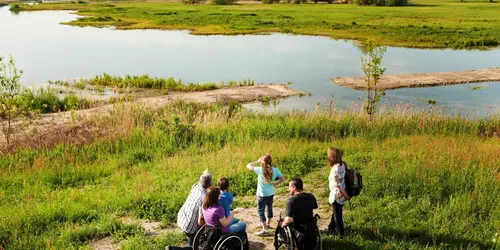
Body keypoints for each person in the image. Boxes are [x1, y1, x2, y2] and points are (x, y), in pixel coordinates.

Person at [246, 154, 285, 236]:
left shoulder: (259, 170)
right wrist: (275, 183)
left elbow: (248, 165)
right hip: (270, 194)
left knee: (260, 211)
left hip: (261, 195)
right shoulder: (275, 170)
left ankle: (265, 230)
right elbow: (283, 179)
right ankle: (268, 224)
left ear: (262, 162)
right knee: (269, 209)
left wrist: (257, 161)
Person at [176, 169, 212, 246]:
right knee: (193, 246)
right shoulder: (204, 198)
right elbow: (200, 221)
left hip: (182, 217)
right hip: (190, 226)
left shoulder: (196, 186)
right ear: (210, 184)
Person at [281, 177, 318, 250]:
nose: (289, 189)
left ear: (294, 187)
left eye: (289, 187)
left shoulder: (292, 200)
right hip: (311, 226)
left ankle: (284, 240)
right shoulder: (310, 196)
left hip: (299, 229)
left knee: (283, 222)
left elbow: (288, 220)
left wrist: (282, 224)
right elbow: (314, 206)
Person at [327, 147, 350, 237]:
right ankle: (330, 229)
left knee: (338, 217)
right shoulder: (343, 165)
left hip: (337, 195)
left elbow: (337, 185)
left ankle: (341, 235)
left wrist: (346, 195)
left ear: (332, 157)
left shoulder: (335, 169)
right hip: (342, 193)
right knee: (335, 212)